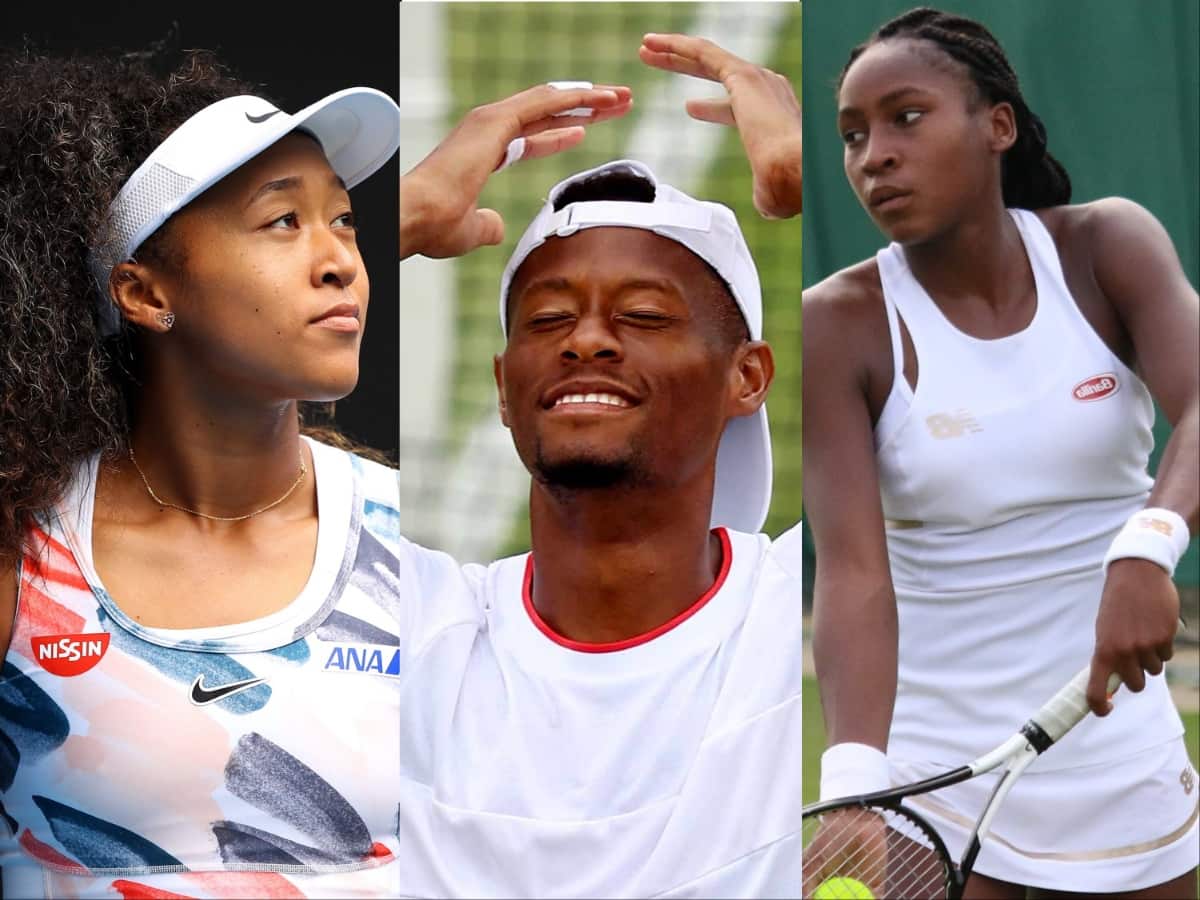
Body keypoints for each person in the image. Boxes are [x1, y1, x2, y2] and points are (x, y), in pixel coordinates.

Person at [802, 7, 1198, 897]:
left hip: (1120, 754)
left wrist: (1148, 545)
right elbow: (853, 571)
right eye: (853, 136)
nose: (875, 156)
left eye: (907, 116)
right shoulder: (839, 322)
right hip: (931, 777)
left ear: (998, 126)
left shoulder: (1107, 246)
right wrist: (857, 786)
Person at [398, 34, 803, 897]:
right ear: (505, 388)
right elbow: (170, 368)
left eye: (645, 315)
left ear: (748, 377)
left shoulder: (794, 604)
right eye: (546, 321)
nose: (584, 339)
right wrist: (400, 211)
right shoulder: (412, 629)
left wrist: (815, 172)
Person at [0, 46, 403, 897]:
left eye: (344, 219)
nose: (340, 261)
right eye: (283, 222)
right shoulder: (25, 558)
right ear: (144, 295)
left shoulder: (415, 548)